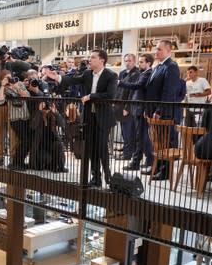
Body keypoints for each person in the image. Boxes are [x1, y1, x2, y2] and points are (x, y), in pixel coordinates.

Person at [44, 49, 117, 186]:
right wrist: (58, 77)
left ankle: (108, 178)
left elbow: (110, 95)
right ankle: (96, 178)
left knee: (101, 148)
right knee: (91, 149)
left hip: (103, 117)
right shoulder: (87, 74)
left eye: (93, 57)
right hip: (90, 117)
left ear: (102, 60)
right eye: (90, 57)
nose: (90, 59)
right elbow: (73, 79)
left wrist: (91, 96)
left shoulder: (111, 75)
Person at [143, 40, 182, 180]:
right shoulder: (158, 66)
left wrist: (159, 110)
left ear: (168, 51)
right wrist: (147, 109)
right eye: (156, 49)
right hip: (152, 110)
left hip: (164, 113)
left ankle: (165, 172)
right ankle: (156, 167)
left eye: (159, 49)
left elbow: (168, 92)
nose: (156, 51)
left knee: (165, 142)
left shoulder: (171, 66)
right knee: (157, 142)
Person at [119, 53, 154, 171]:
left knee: (142, 137)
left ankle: (145, 161)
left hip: (140, 108)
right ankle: (138, 161)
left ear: (148, 63)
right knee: (140, 137)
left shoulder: (147, 74)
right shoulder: (144, 73)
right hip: (137, 108)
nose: (139, 64)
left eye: (141, 62)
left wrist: (120, 82)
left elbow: (136, 86)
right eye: (139, 62)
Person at [0, 70, 31, 171]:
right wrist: (2, 86)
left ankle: (19, 162)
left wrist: (16, 87)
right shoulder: (4, 89)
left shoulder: (19, 83)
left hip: (25, 116)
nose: (10, 79)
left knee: (26, 141)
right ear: (2, 79)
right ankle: (16, 162)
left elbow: (27, 96)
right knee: (25, 140)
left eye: (10, 76)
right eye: (7, 77)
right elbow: (0, 101)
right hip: (15, 118)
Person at [114, 53, 140, 161]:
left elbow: (133, 92)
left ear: (134, 62)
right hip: (119, 105)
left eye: (129, 61)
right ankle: (126, 149)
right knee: (124, 131)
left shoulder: (136, 74)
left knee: (129, 131)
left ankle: (128, 154)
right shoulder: (122, 73)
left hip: (127, 107)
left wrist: (127, 108)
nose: (127, 63)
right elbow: (118, 89)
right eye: (125, 60)